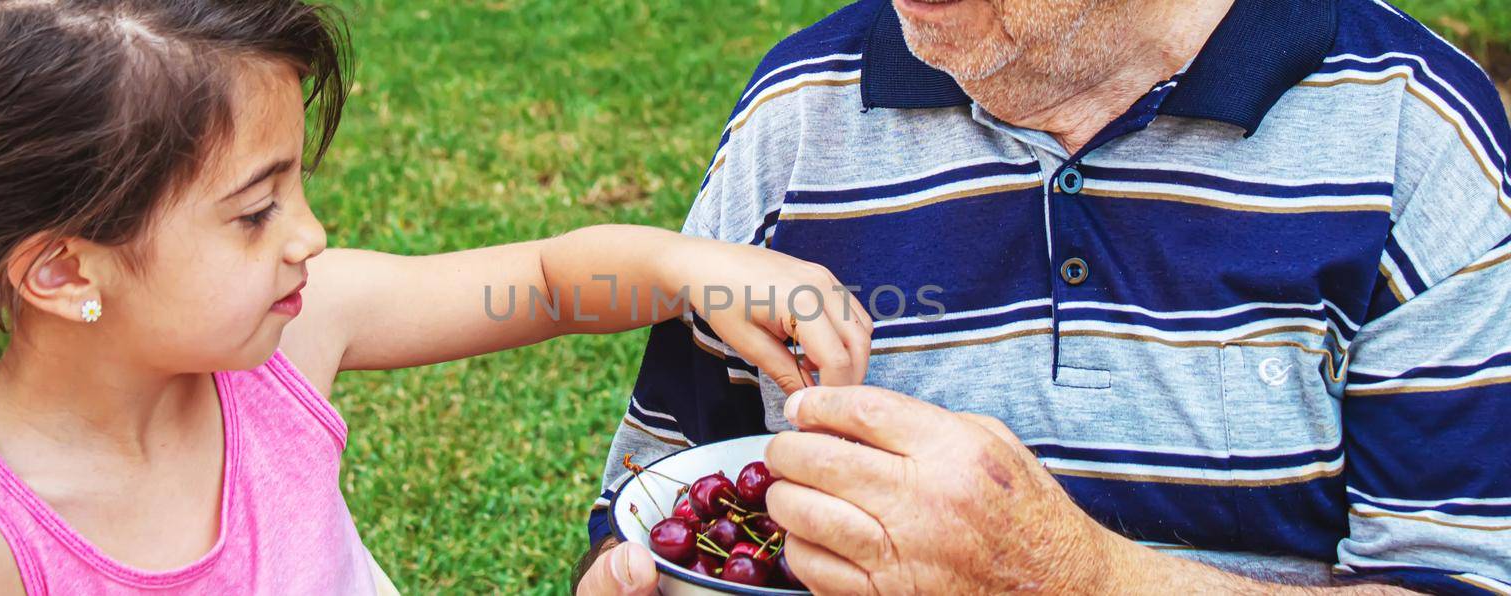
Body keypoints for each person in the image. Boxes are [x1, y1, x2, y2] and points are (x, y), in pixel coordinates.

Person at [0, 1, 870, 593]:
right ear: (65, 271)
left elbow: (540, 283)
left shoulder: (289, 337)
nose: (309, 236)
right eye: (254, 213)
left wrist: (684, 268)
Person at [574, 0, 1511, 593]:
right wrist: (620, 575)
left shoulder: (1413, 137)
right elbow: (660, 509)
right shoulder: (797, 117)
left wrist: (1071, 578)